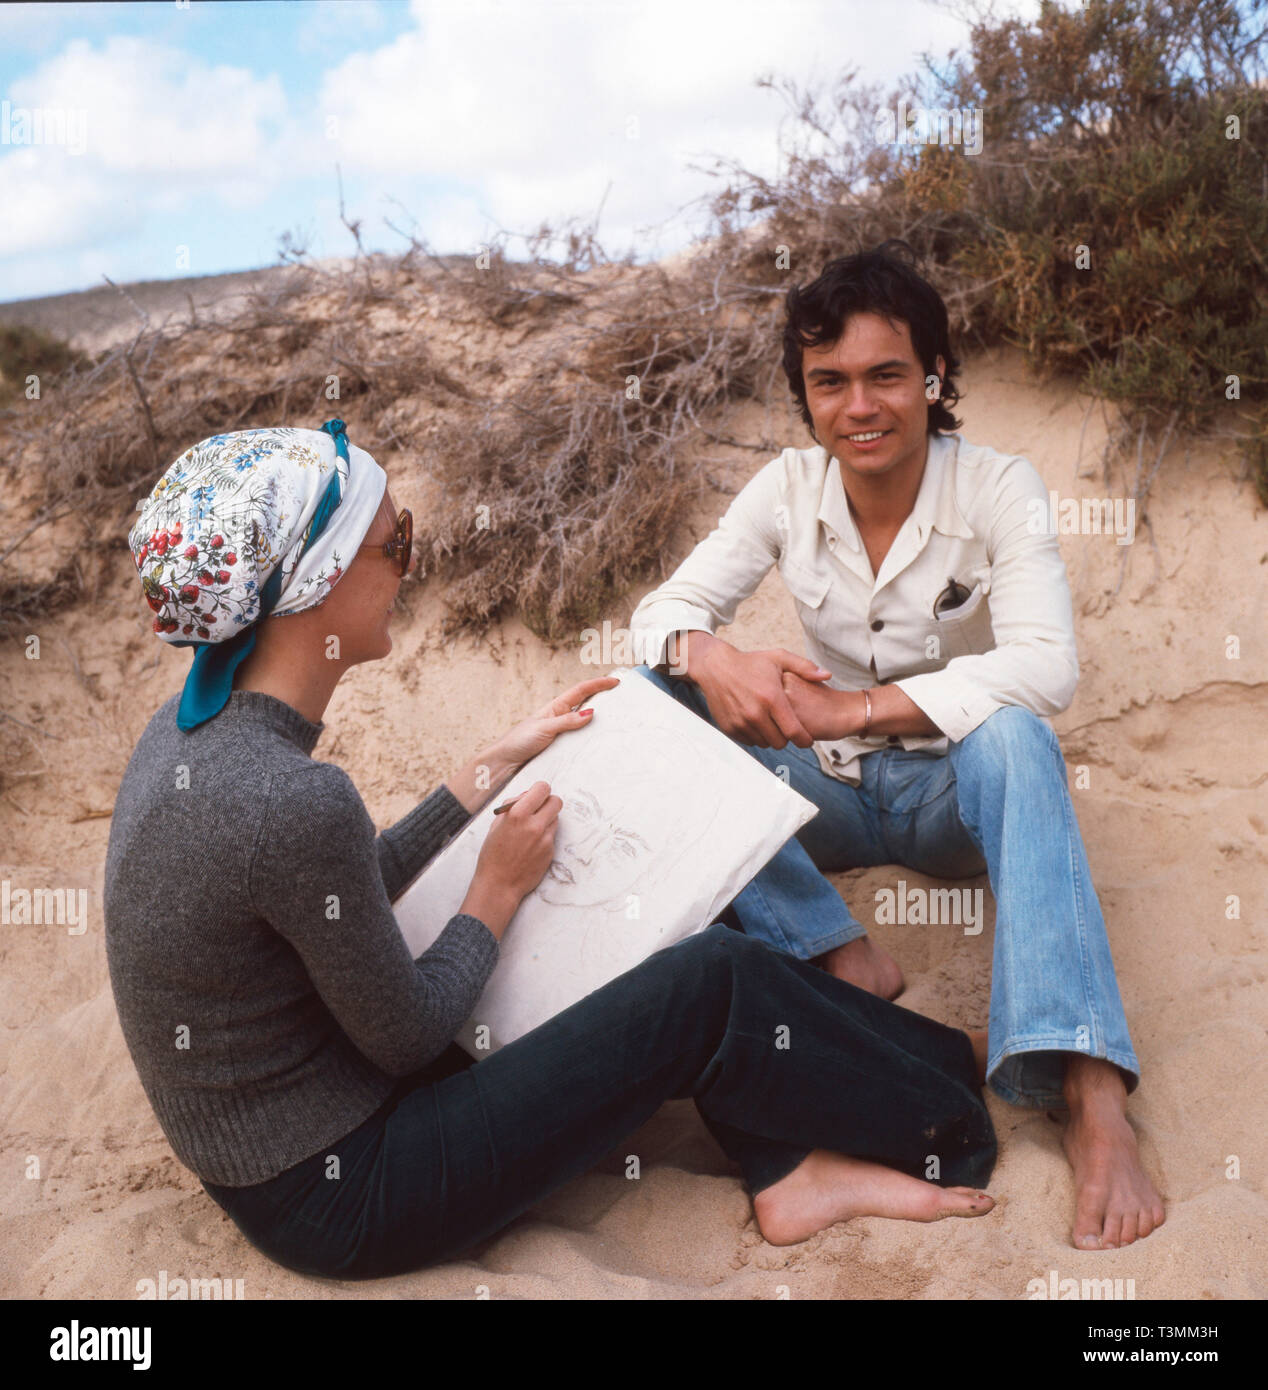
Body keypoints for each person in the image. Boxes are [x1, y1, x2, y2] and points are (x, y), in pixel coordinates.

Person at [103, 418, 998, 1281]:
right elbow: (411, 1036)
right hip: (348, 1189)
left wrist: (487, 770)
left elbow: (334, 894)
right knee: (708, 977)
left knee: (645, 918)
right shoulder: (289, 797)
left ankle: (879, 1093)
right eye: (393, 543)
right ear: (317, 584)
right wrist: (493, 890)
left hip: (296, 1137)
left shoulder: (192, 743)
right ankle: (946, 1123)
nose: (411, 566)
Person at [628, 240, 1165, 1252]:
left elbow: (1047, 667)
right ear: (805, 394)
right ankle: (835, 952)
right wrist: (710, 655)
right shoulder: (785, 488)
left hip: (948, 795)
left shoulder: (998, 484)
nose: (857, 406)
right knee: (650, 699)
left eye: (884, 374)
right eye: (827, 382)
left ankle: (1090, 1093)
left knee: (1015, 734)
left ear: (931, 377)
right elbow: (657, 615)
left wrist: (863, 708)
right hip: (820, 794)